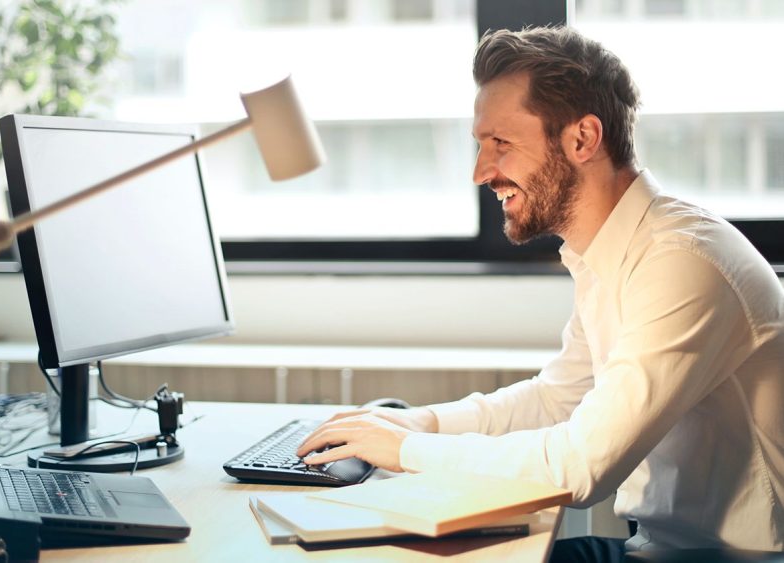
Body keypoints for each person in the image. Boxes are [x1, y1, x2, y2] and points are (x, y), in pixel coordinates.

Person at [297, 26, 784, 561]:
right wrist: (422, 422)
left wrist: (407, 450)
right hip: (660, 548)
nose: (481, 172)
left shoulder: (683, 263)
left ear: (583, 139)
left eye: (501, 144)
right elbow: (558, 399)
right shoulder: (609, 251)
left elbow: (581, 468)